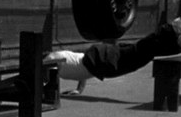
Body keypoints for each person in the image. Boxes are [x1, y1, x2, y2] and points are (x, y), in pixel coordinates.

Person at [45, 18, 181, 84]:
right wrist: (78, 90)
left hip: (102, 59)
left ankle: (173, 30)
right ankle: (174, 32)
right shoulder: (55, 65)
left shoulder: (52, 59)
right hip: (99, 62)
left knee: (141, 52)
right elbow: (82, 69)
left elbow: (79, 64)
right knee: (142, 53)